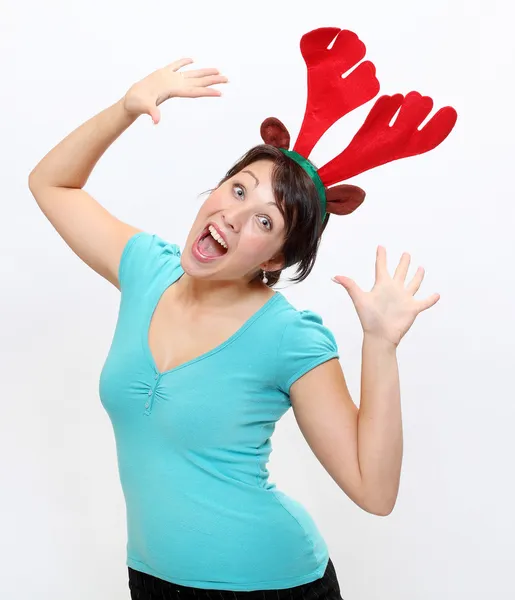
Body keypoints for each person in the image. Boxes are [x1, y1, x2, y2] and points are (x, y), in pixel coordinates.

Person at [28, 28, 457, 600]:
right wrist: (127, 107)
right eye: (238, 190)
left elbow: (374, 492)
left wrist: (379, 345)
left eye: (265, 220)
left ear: (278, 256)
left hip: (270, 586)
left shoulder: (288, 337)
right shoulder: (147, 269)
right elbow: (51, 183)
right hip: (150, 578)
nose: (235, 216)